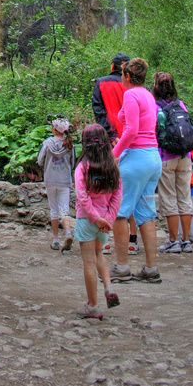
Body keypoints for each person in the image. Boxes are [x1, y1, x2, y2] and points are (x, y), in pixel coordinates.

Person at [110, 57, 163, 284]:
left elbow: (131, 131)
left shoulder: (131, 94)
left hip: (136, 159)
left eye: (122, 74)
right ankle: (151, 269)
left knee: (120, 213)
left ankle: (122, 267)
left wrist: (114, 155)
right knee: (145, 214)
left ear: (128, 76)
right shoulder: (149, 96)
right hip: (153, 158)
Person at [74, 124, 123, 319]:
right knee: (99, 254)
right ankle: (108, 287)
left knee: (88, 261)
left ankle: (93, 306)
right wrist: (108, 218)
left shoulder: (82, 167)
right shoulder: (112, 166)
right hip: (104, 223)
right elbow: (117, 194)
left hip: (87, 220)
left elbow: (82, 195)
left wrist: (95, 217)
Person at [92, 51, 139, 255]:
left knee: (107, 190)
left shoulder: (100, 83)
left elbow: (99, 113)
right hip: (133, 142)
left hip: (110, 144)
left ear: (112, 67)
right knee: (131, 191)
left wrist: (110, 136)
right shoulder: (135, 87)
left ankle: (107, 238)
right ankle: (132, 239)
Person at [152, 72, 193, 254]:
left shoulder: (155, 107)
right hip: (185, 157)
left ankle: (172, 241)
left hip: (166, 158)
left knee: (169, 199)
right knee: (184, 197)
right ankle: (186, 241)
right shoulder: (181, 104)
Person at [37, 116, 76, 251]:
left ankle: (55, 240)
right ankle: (68, 232)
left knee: (53, 209)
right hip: (64, 180)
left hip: (50, 179)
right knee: (64, 208)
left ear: (54, 129)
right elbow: (72, 163)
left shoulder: (47, 143)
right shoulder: (70, 144)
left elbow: (40, 160)